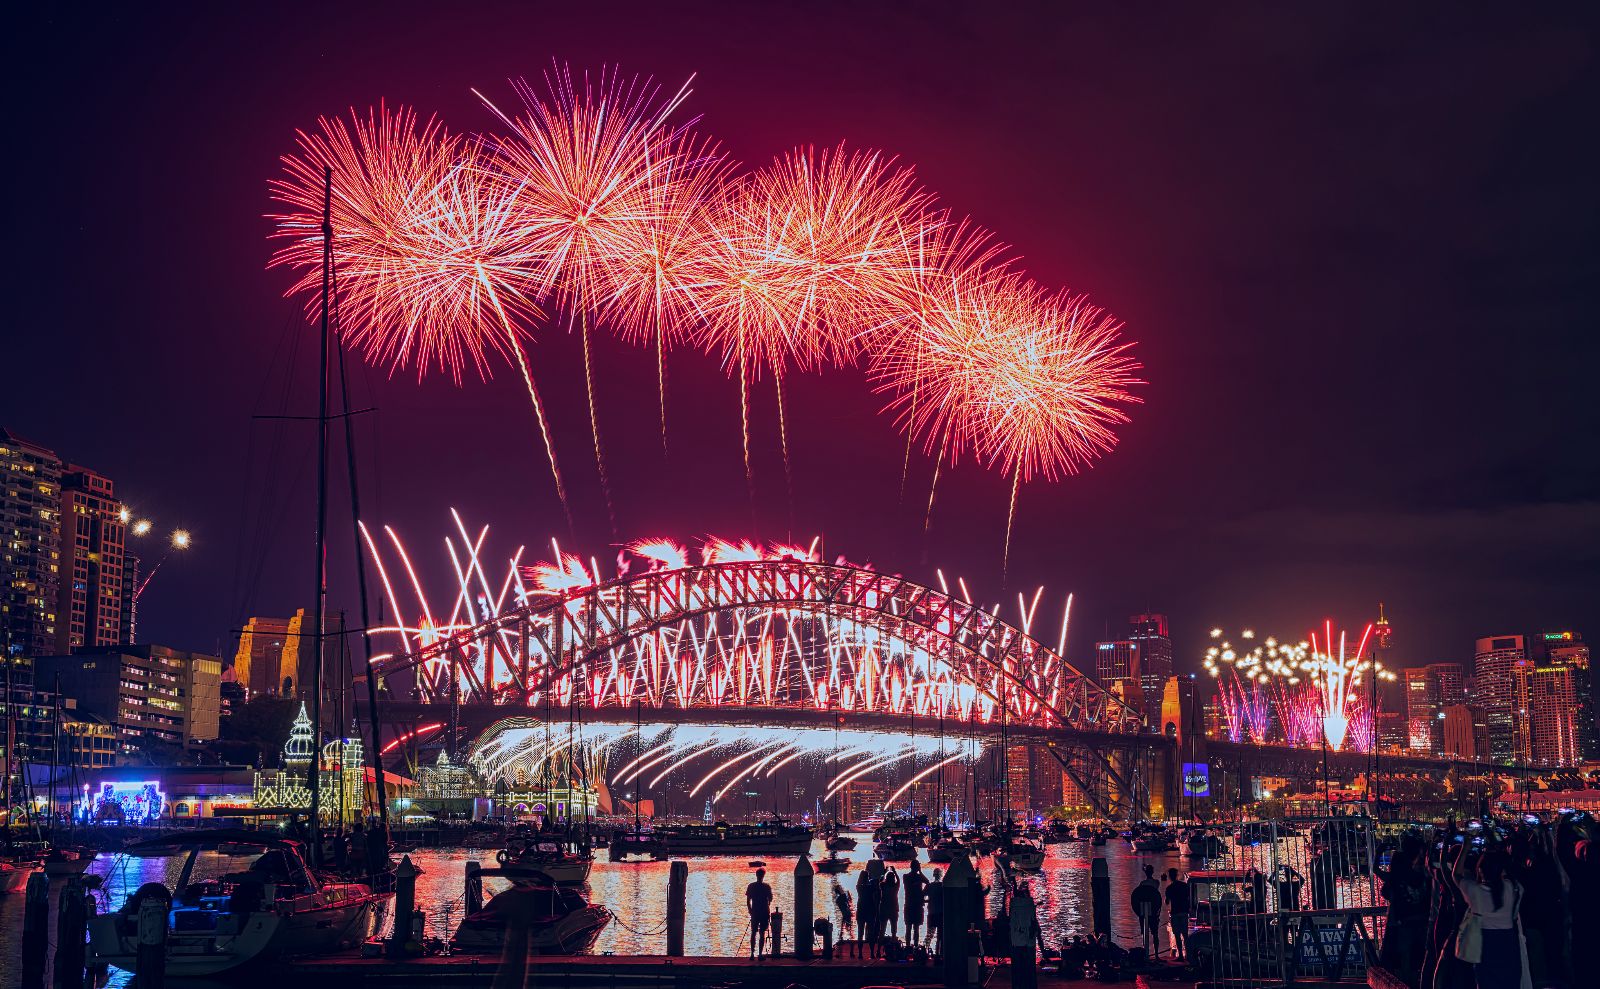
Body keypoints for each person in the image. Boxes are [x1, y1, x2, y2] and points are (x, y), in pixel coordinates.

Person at [1447, 846, 1526, 989]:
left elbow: (1456, 875)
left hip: (1485, 942)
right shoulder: (1514, 887)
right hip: (1508, 941)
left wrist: (1466, 845)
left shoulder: (1475, 890)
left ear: (1480, 870)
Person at [1377, 835, 1429, 988]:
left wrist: (1378, 854)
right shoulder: (1423, 875)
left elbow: (1378, 874)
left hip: (1404, 921)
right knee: (1419, 954)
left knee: (1404, 955)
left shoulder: (1397, 877)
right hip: (1422, 920)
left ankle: (1406, 982)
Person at [1009, 883, 1043, 989]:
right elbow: (1035, 928)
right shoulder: (1029, 907)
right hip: (1028, 943)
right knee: (1029, 971)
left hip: (1017, 943)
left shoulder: (1016, 907)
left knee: (1018, 971)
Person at [1131, 863, 1163, 957]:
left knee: (1144, 933)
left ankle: (1145, 954)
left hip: (1142, 911)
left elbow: (1138, 894)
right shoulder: (1156, 882)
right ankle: (1156, 955)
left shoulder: (1142, 884)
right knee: (1155, 933)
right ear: (1152, 872)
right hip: (1154, 910)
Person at [746, 867, 774, 958]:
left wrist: (750, 910)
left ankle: (752, 954)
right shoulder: (766, 886)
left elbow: (748, 900)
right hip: (764, 912)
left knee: (753, 932)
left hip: (755, 912)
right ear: (763, 876)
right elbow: (770, 899)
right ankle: (760, 954)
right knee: (762, 933)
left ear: (756, 875)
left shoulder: (751, 886)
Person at [1164, 867, 1191, 961]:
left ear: (1170, 877)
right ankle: (1188, 954)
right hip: (1184, 912)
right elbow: (1189, 898)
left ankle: (1180, 956)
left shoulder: (1169, 888)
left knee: (1177, 935)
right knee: (1185, 934)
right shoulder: (1184, 886)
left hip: (1175, 913)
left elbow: (1167, 902)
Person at [856, 866, 881, 958]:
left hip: (861, 911)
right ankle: (872, 953)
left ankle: (860, 954)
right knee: (871, 933)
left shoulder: (858, 887)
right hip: (870, 911)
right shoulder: (871, 888)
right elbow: (877, 886)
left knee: (860, 933)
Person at [903, 860, 928, 946]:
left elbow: (927, 882)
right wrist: (922, 894)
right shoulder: (917, 877)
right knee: (915, 928)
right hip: (916, 905)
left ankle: (908, 946)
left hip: (910, 905)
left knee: (909, 927)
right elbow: (927, 882)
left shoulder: (906, 876)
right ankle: (914, 946)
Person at [831, 879, 856, 957]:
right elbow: (849, 901)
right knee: (850, 933)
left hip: (844, 915)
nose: (842, 889)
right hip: (847, 915)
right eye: (840, 888)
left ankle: (839, 952)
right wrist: (847, 893)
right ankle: (850, 951)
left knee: (842, 934)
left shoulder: (838, 899)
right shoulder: (843, 897)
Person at [926, 867, 945, 957]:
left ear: (933, 875)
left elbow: (922, 895)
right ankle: (939, 953)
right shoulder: (942, 886)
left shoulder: (929, 885)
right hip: (940, 914)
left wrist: (928, 901)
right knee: (940, 936)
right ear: (941, 875)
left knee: (929, 935)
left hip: (931, 913)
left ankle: (925, 952)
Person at [880, 866, 901, 942]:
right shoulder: (895, 887)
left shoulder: (883, 885)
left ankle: (879, 949)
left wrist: (885, 871)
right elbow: (898, 880)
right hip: (893, 909)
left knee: (882, 929)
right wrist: (894, 872)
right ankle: (894, 947)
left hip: (884, 908)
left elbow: (881, 880)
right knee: (894, 930)